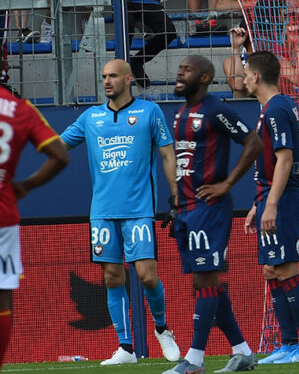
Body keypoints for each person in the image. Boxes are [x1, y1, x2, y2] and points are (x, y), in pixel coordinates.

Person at [60, 58, 180, 365]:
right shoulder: (91, 117)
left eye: (113, 76)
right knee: (113, 277)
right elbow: (59, 145)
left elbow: (167, 153)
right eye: (103, 76)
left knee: (146, 275)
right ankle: (125, 348)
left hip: (139, 209)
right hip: (102, 211)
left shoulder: (149, 112)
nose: (106, 81)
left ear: (128, 79)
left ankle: (162, 329)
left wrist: (176, 195)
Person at [167, 55, 262, 374]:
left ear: (205, 77)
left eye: (187, 70)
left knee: (206, 278)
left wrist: (227, 184)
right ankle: (243, 351)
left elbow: (253, 143)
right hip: (186, 209)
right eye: (179, 69)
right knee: (204, 283)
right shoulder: (180, 113)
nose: (180, 73)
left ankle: (194, 360)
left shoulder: (216, 109)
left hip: (209, 208)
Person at [242, 51, 299, 364]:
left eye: (246, 73)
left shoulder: (275, 110)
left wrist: (271, 204)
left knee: (287, 268)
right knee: (270, 269)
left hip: (283, 199)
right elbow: (271, 163)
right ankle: (288, 344)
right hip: (268, 197)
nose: (243, 78)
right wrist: (256, 204)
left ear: (257, 77)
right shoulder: (273, 108)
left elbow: (285, 159)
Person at [0, 66, 69, 371]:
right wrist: (26, 185)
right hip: (3, 216)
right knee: (2, 300)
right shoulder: (21, 109)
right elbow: (61, 155)